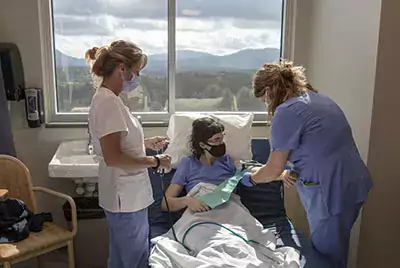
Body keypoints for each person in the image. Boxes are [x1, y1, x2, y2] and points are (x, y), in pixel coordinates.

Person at [241, 60, 373, 267]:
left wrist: (251, 178)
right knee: (336, 250)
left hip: (330, 191)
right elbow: (319, 146)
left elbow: (274, 168)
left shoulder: (286, 111)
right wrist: (290, 170)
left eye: (264, 100)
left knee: (326, 258)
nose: (267, 105)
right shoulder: (319, 99)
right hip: (353, 182)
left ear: (268, 91)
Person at [85, 40, 171, 268]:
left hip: (124, 196)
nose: (137, 78)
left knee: (120, 260)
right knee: (134, 261)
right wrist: (156, 161)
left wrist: (146, 143)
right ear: (122, 68)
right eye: (137, 71)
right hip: (125, 197)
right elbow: (114, 157)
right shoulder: (108, 103)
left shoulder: (109, 100)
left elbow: (118, 145)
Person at [162, 117, 236, 213]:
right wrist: (187, 201)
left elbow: (250, 170)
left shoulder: (229, 162)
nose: (221, 143)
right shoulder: (188, 163)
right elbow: (165, 204)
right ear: (202, 145)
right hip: (200, 213)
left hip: (227, 211)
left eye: (222, 138)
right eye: (216, 139)